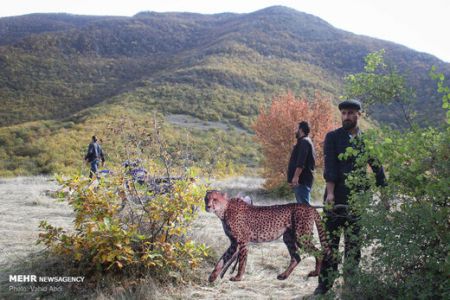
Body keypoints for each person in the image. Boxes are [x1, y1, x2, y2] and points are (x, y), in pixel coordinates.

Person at [314, 99, 386, 295]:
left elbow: (378, 168)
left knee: (354, 245)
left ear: (358, 115)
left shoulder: (366, 141)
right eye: (343, 113)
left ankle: (350, 286)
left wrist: (385, 198)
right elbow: (330, 167)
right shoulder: (333, 137)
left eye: (350, 113)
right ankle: (324, 286)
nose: (346, 116)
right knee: (330, 243)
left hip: (358, 199)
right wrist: (329, 194)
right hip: (334, 198)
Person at [287, 121, 316, 205]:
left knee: (304, 207)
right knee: (302, 207)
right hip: (300, 182)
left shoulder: (304, 142)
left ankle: (312, 218)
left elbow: (301, 162)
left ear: (301, 130)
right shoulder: (302, 142)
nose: (295, 131)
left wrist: (296, 177)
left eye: (296, 128)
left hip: (302, 181)